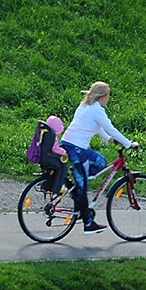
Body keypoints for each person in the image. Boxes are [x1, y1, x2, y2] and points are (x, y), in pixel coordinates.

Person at [60, 81, 139, 235]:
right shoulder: (97, 110)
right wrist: (128, 144)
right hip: (76, 149)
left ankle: (78, 187)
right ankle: (88, 224)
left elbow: (96, 127)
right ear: (102, 96)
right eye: (108, 96)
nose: (108, 99)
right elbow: (111, 128)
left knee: (101, 161)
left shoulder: (85, 105)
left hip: (70, 145)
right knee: (83, 187)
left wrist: (109, 139)